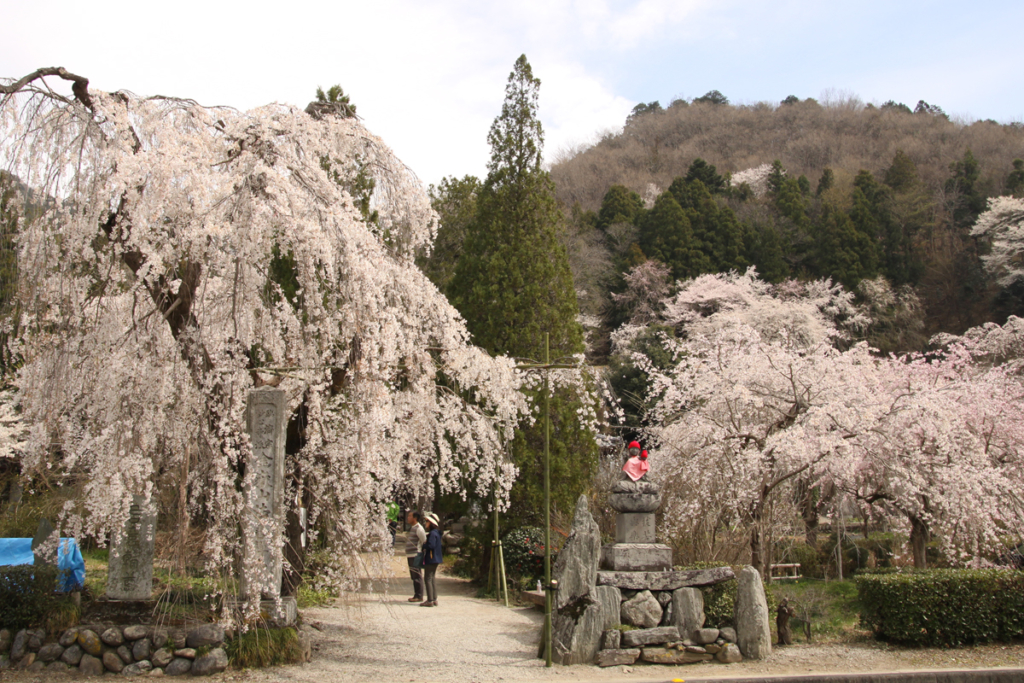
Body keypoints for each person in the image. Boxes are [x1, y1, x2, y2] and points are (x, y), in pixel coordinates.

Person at [421, 512, 443, 607]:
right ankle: (434, 598)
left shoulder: (433, 533)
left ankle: (430, 600)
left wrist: (424, 545)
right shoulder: (436, 533)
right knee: (432, 578)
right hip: (436, 558)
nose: (426, 524)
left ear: (431, 523)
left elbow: (431, 545)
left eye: (427, 522)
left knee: (428, 578)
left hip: (431, 557)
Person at [405, 511, 427, 602]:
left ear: (415, 518)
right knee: (413, 576)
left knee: (417, 575)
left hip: (415, 555)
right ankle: (416, 594)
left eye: (410, 516)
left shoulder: (419, 528)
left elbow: (424, 541)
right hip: (410, 555)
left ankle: (419, 595)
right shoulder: (412, 528)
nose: (408, 517)